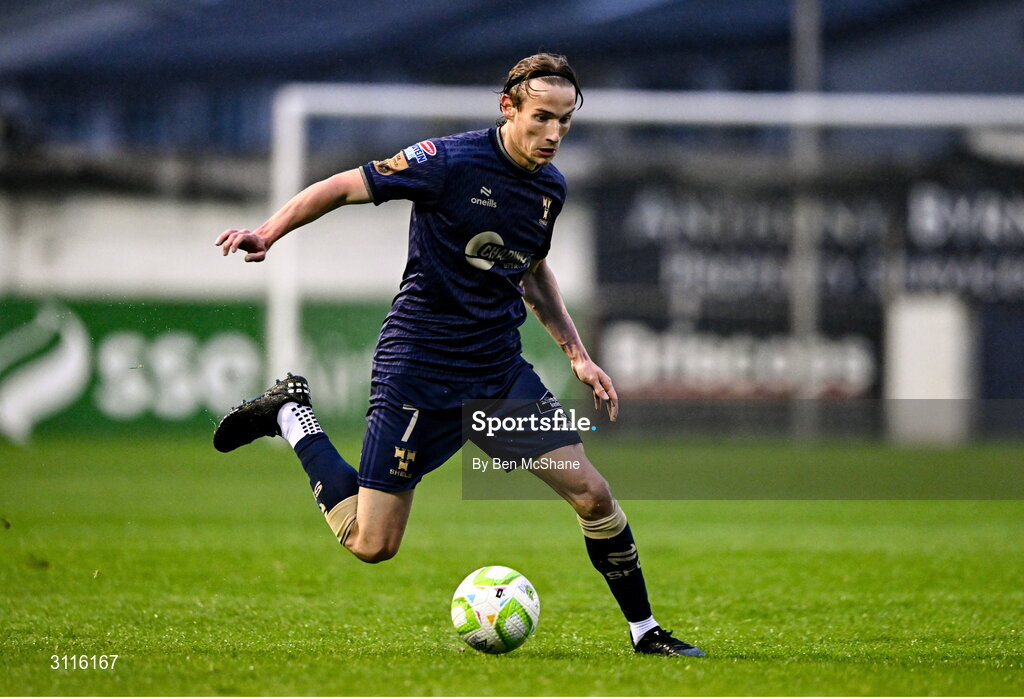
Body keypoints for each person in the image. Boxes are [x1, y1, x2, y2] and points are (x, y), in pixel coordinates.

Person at [213, 53, 704, 658]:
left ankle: (645, 632)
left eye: (566, 122)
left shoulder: (551, 188)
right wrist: (268, 231)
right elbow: (342, 186)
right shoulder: (446, 162)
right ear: (509, 108)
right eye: (542, 118)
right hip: (418, 369)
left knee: (593, 495)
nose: (553, 135)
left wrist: (575, 351)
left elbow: (532, 269)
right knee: (371, 543)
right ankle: (291, 414)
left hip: (497, 372)